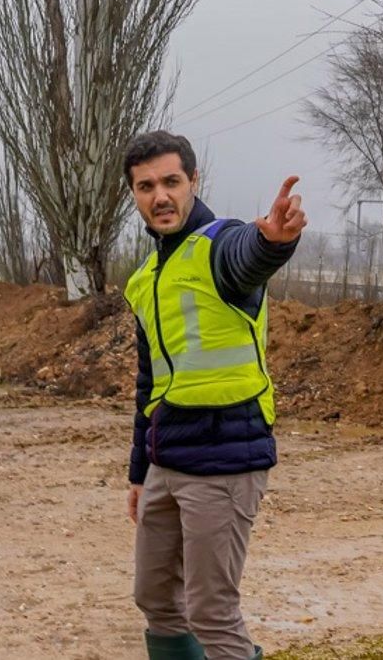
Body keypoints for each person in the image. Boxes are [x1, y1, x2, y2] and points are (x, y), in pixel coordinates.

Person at [122, 130, 306, 660]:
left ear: (193, 181)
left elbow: (246, 256)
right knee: (155, 597)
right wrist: (139, 473)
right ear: (134, 193)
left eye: (171, 182)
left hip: (226, 460)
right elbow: (148, 385)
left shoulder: (218, 245)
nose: (160, 195)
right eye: (146, 185)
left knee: (211, 611)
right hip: (167, 461)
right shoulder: (146, 278)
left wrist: (272, 241)